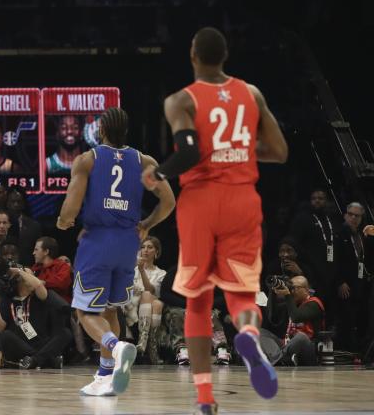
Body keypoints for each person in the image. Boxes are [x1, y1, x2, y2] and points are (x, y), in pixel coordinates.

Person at [143, 27, 289, 414]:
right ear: (225, 56)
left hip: (201, 204)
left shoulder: (180, 100)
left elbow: (188, 152)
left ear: (193, 55)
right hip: (242, 199)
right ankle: (250, 335)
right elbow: (278, 150)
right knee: (241, 293)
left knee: (198, 302)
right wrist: (236, 148)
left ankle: (205, 398)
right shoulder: (252, 93)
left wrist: (158, 174)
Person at [58, 107, 176, 397]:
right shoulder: (144, 162)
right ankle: (105, 376)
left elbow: (71, 208)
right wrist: (147, 224)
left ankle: (116, 346)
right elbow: (169, 201)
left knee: (84, 311)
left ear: (101, 131)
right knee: (110, 308)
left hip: (98, 240)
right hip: (128, 242)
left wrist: (63, 222)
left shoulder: (88, 159)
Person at [0, 260, 71, 369]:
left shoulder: (39, 296)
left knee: (65, 333)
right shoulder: (9, 300)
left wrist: (20, 271)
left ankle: (35, 360)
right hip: (21, 344)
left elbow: (38, 285)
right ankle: (47, 360)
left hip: (41, 342)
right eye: (28, 275)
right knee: (5, 336)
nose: (32, 278)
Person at [122, 236, 167, 363]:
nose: (145, 250)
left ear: (156, 252)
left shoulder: (161, 273)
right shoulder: (132, 269)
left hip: (148, 305)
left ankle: (145, 341)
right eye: (143, 247)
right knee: (155, 302)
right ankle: (149, 346)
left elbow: (152, 290)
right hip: (131, 303)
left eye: (150, 247)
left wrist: (142, 271)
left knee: (153, 299)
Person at [289, 189, 338, 306]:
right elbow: (294, 243)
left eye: (320, 199)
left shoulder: (331, 220)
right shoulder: (303, 219)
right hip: (310, 270)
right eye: (314, 199)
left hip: (329, 272)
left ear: (326, 201)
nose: (317, 201)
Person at [262, 275, 325, 366]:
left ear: (306, 290)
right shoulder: (291, 303)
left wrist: (287, 295)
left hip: (308, 347)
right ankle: (281, 360)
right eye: (291, 288)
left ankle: (278, 359)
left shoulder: (314, 303)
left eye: (294, 288)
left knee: (301, 337)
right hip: (288, 346)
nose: (292, 291)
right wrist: (273, 292)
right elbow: (272, 317)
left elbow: (296, 317)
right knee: (261, 332)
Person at [335, 203, 371, 351]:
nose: (354, 218)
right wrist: (340, 282)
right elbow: (334, 261)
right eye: (351, 214)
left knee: (361, 317)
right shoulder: (338, 234)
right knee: (346, 318)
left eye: (357, 216)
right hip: (345, 283)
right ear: (345, 215)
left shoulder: (363, 235)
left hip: (361, 283)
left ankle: (358, 350)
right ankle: (345, 351)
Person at [7, 190, 42, 266]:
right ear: (7, 203)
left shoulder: (34, 225)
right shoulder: (0, 223)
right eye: (13, 201)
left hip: (28, 267)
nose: (16, 204)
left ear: (23, 204)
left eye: (18, 201)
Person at [32, 237, 72, 303]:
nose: (33, 253)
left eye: (36, 250)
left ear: (46, 252)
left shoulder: (62, 266)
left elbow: (61, 283)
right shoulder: (35, 268)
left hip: (58, 308)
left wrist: (43, 283)